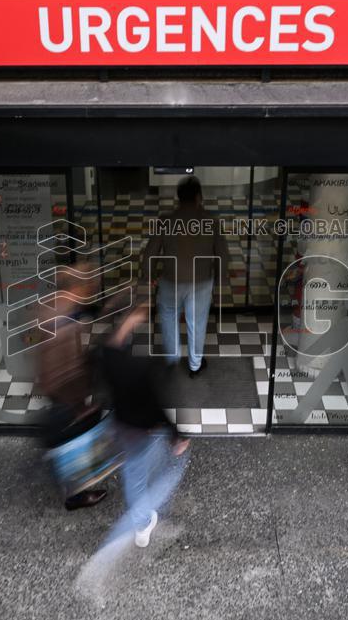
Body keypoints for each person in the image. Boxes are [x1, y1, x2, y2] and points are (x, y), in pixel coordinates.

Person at [100, 303, 190, 548]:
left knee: (137, 475)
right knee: (150, 472)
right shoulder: (142, 368)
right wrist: (177, 435)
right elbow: (157, 407)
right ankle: (143, 521)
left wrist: (128, 321)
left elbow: (110, 346)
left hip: (123, 428)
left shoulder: (109, 358)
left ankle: (143, 520)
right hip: (142, 432)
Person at [37, 262, 109, 511]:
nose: (91, 289)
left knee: (70, 439)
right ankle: (75, 495)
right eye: (87, 285)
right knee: (73, 440)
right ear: (76, 287)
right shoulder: (64, 320)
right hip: (67, 393)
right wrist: (80, 404)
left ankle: (72, 481)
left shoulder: (53, 307)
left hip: (61, 391)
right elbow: (63, 370)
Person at [141, 175, 229, 378]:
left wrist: (149, 275)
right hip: (201, 282)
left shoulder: (166, 221)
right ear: (199, 196)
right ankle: (194, 365)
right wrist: (221, 278)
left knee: (168, 318)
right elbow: (222, 254)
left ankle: (172, 360)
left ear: (178, 198)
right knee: (196, 323)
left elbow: (150, 252)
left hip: (170, 280)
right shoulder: (211, 222)